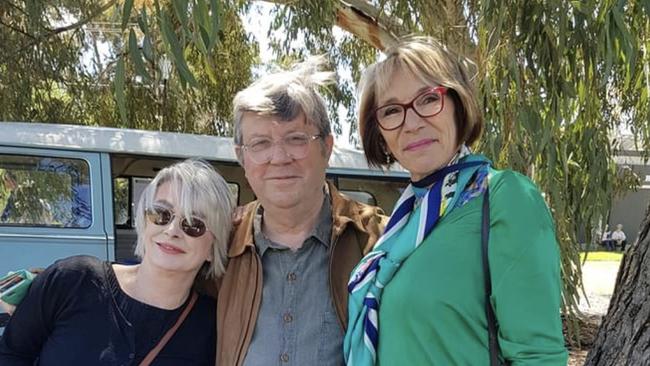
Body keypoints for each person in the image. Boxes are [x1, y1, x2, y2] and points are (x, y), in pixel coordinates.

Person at [344, 36, 567, 365]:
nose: (412, 122)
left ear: (458, 104)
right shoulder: (405, 222)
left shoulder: (506, 198)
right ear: (381, 133)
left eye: (428, 99)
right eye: (392, 111)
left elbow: (538, 357)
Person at [216, 57, 386, 366]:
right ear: (241, 157)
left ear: (327, 148)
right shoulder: (217, 245)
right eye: (260, 143)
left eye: (296, 139)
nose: (279, 157)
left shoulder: (380, 240)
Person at [0, 159, 234, 365]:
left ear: (213, 249)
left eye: (194, 224)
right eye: (161, 214)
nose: (172, 230)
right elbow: (10, 353)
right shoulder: (73, 280)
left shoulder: (212, 326)